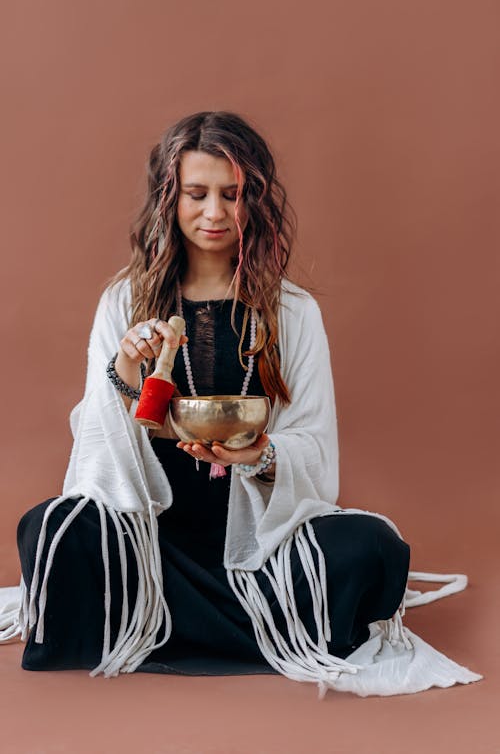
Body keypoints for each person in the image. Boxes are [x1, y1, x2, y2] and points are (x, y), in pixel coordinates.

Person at [4, 111, 481, 696]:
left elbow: (312, 441)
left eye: (231, 195)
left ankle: (162, 625)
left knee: (370, 548)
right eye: (196, 193)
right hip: (151, 544)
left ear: (253, 200)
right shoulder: (123, 300)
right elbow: (99, 454)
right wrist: (124, 370)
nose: (213, 213)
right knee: (50, 528)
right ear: (168, 199)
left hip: (259, 541)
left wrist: (261, 452)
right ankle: (219, 624)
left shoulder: (294, 311)